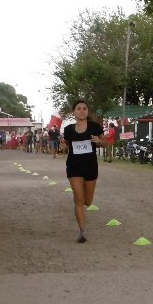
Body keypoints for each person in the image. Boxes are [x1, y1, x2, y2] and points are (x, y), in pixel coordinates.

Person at [60, 100, 107, 243]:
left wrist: (99, 141)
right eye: (78, 108)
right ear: (73, 112)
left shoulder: (95, 127)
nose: (81, 110)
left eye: (84, 108)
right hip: (74, 166)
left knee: (88, 201)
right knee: (79, 199)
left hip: (90, 167)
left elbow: (105, 143)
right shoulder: (68, 129)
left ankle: (84, 210)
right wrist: (63, 146)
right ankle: (82, 231)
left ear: (88, 111)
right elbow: (66, 144)